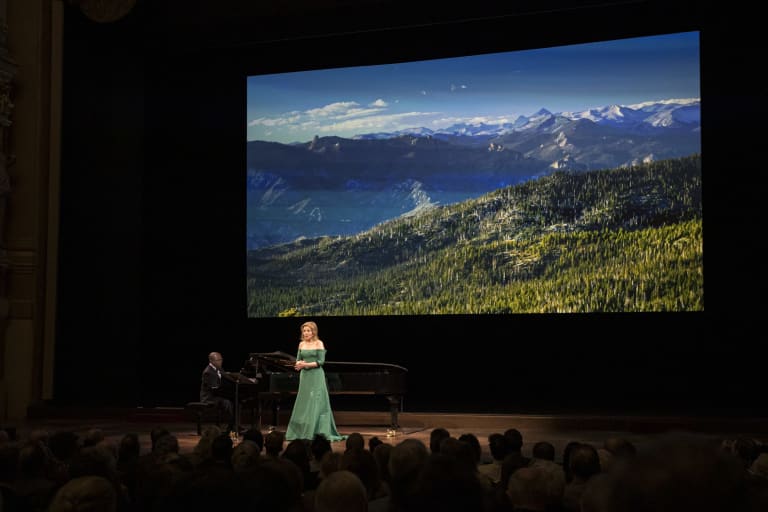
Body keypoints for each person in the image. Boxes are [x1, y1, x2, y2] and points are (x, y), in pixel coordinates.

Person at [285, 321, 346, 442]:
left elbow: (320, 362)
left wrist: (305, 364)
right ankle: (302, 431)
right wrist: (298, 364)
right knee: (304, 401)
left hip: (316, 376)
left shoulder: (319, 343)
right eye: (304, 331)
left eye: (308, 330)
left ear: (313, 332)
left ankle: (316, 431)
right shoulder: (301, 344)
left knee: (316, 402)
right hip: (305, 377)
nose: (306, 333)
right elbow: (297, 360)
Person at [200, 351, 235, 433]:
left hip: (217, 395)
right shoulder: (208, 372)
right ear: (211, 361)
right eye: (218, 360)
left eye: (221, 359)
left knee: (235, 400)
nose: (221, 361)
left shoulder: (219, 368)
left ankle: (234, 425)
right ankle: (230, 426)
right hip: (209, 397)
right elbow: (214, 388)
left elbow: (227, 378)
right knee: (227, 402)